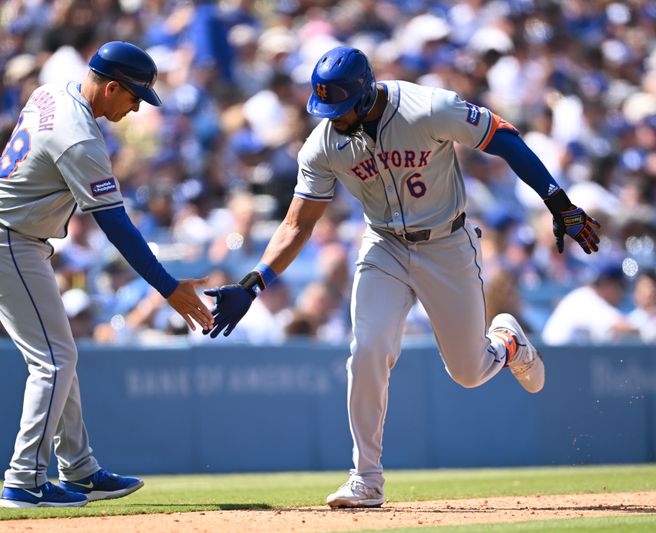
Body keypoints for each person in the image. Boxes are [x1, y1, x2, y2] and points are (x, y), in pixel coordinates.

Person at [203, 46, 601, 508]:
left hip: (447, 244)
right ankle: (365, 478)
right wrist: (255, 282)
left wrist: (559, 202)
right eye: (325, 109)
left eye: (340, 107)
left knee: (469, 372)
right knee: (367, 350)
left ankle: (507, 342)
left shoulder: (428, 106)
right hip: (384, 246)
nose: (332, 118)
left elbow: (505, 137)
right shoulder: (324, 144)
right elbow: (298, 223)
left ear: (366, 93)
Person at [0, 41, 213, 509]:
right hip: (7, 239)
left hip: (9, 232)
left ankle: (78, 469)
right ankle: (24, 481)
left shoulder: (53, 90)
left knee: (61, 356)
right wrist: (168, 288)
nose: (137, 106)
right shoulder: (79, 136)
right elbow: (115, 224)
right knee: (53, 362)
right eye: (134, 96)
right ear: (111, 86)